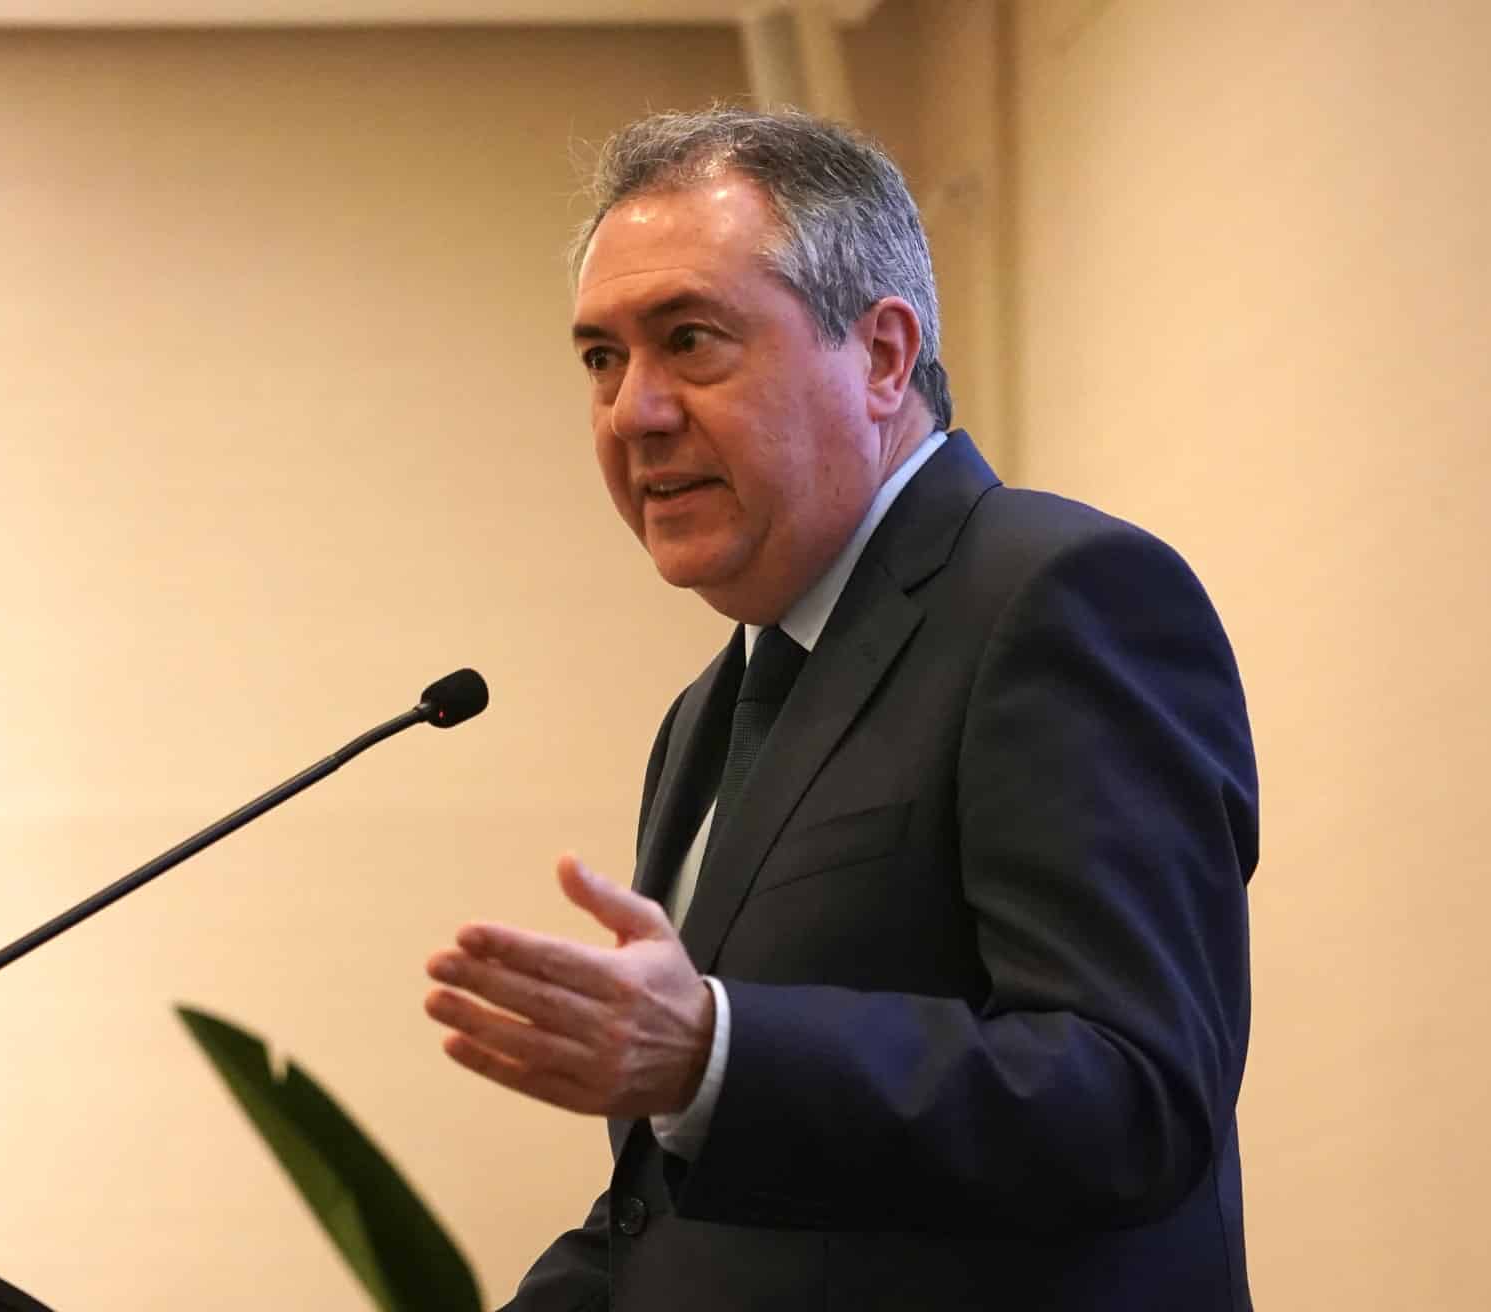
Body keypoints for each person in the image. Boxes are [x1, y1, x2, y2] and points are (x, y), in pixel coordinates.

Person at [422, 107, 1258, 1312]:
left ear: (880, 356)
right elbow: (676, 1222)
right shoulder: (707, 713)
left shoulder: (1058, 596)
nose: (633, 411)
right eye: (601, 359)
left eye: (689, 340)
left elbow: (1134, 1096)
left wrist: (715, 1056)